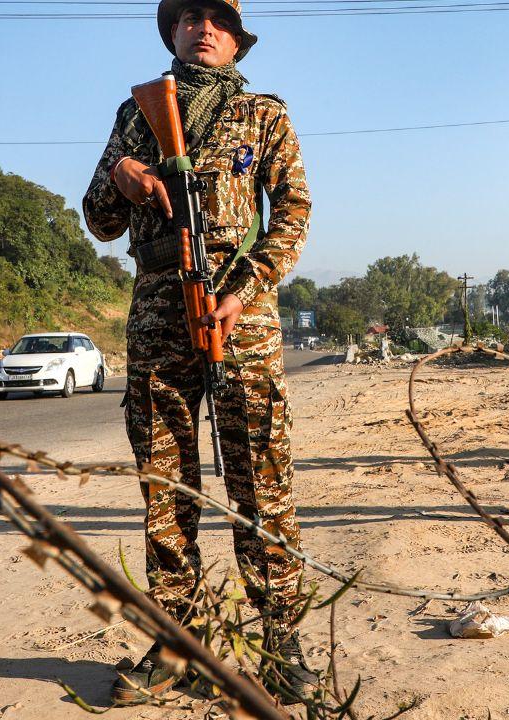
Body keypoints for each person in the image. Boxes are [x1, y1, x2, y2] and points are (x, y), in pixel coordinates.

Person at [82, 0, 312, 703]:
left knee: (258, 471)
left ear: (237, 42)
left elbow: (294, 211)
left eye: (217, 19)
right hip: (158, 306)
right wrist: (124, 177)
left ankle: (279, 637)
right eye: (189, 17)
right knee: (165, 477)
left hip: (239, 309)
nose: (202, 28)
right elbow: (99, 221)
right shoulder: (137, 113)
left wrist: (245, 287)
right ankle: (175, 640)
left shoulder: (265, 114)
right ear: (173, 32)